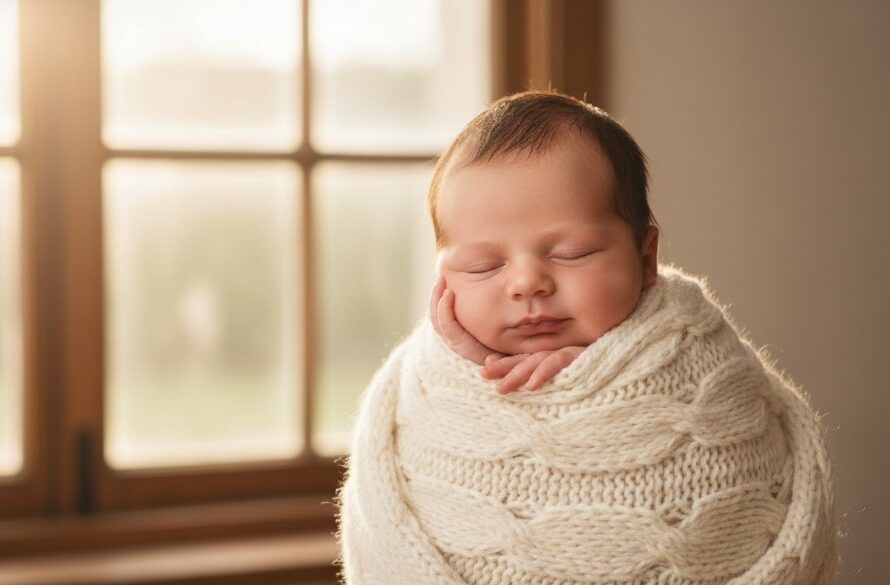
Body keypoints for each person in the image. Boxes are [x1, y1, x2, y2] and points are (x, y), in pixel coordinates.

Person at [337, 91, 836, 585]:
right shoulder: (425, 379)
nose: (526, 282)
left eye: (571, 253)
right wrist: (471, 362)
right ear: (443, 278)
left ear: (645, 259)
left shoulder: (695, 360)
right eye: (483, 265)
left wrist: (602, 367)